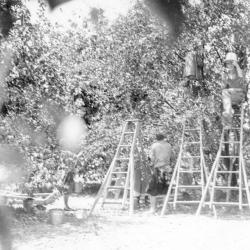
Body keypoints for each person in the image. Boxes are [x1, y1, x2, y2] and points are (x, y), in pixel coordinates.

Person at [146, 133, 173, 213]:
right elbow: (171, 156)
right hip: (167, 169)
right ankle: (165, 209)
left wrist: (151, 164)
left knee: (152, 190)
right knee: (166, 189)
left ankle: (153, 209)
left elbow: (152, 158)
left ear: (156, 138)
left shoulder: (154, 146)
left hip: (158, 169)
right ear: (163, 137)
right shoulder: (168, 145)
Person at [221, 52, 245, 127]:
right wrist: (224, 78)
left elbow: (241, 77)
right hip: (231, 97)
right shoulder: (226, 74)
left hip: (239, 95)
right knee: (224, 94)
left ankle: (228, 112)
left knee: (225, 92)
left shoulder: (239, 71)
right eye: (228, 63)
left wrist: (237, 66)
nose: (229, 65)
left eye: (231, 63)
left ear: (234, 63)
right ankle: (228, 116)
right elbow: (223, 87)